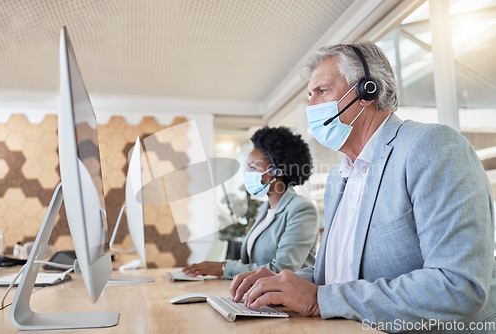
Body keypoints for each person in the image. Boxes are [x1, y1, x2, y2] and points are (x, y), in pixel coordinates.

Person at [230, 41, 496, 333]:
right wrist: (282, 283)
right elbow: (340, 276)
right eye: (309, 95)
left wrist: (320, 299)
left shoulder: (430, 146)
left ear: (367, 91)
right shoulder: (338, 178)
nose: (310, 107)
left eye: (321, 91)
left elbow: (458, 286)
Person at [183, 126, 319, 279]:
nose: (248, 175)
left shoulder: (301, 209)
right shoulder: (265, 208)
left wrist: (223, 268)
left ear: (278, 171)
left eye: (253, 168)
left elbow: (280, 269)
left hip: (287, 299)